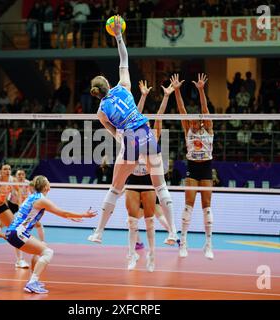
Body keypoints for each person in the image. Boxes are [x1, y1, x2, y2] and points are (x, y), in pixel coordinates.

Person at [87, 15, 178, 246]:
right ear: (108, 82)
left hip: (128, 137)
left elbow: (109, 127)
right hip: (144, 132)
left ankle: (98, 232)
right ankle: (173, 233)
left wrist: (118, 136)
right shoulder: (124, 87)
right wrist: (118, 35)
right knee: (160, 185)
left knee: (115, 187)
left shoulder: (100, 110)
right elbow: (124, 57)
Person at [6, 175, 97, 294]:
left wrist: (71, 218)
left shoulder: (33, 197)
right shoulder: (42, 200)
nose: (49, 183)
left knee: (39, 250)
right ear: (45, 186)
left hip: (13, 232)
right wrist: (83, 215)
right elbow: (63, 212)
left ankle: (33, 280)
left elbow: (55, 214)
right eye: (48, 181)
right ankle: (32, 282)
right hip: (17, 232)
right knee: (48, 252)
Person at [124, 79, 174, 271]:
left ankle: (152, 254)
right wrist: (143, 96)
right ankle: (132, 254)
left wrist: (166, 97)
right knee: (131, 220)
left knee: (150, 220)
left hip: (147, 179)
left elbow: (159, 117)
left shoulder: (152, 135)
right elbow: (134, 114)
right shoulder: (130, 134)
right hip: (133, 178)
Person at [171, 73, 215, 260]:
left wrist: (201, 89)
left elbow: (205, 108)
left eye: (197, 120)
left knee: (207, 207)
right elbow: (181, 109)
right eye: (193, 121)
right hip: (192, 167)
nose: (194, 123)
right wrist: (177, 90)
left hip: (206, 167)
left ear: (202, 121)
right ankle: (184, 242)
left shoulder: (209, 128)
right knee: (188, 206)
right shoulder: (187, 128)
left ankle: (208, 244)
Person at [8, 169, 46, 241]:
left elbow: (33, 195)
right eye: (19, 174)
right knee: (2, 224)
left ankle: (42, 242)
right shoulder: (12, 184)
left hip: (24, 207)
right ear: (16, 176)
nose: (21, 176)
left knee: (38, 224)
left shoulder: (28, 183)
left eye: (23, 174)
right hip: (12, 204)